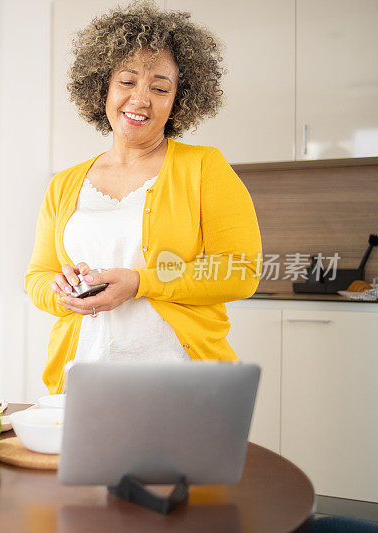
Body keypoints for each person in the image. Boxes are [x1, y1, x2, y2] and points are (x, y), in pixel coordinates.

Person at [25, 1, 262, 394]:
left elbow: (240, 271)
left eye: (160, 88)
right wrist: (62, 290)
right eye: (127, 81)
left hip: (184, 381)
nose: (140, 99)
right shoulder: (64, 184)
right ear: (103, 85)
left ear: (178, 100)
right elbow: (37, 277)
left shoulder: (204, 167)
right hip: (82, 380)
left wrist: (140, 282)